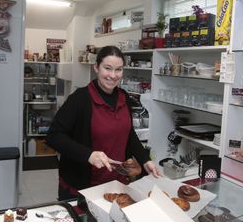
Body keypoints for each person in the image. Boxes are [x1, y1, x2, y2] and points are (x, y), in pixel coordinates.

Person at [46, 45, 161, 201]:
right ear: (96, 68)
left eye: (118, 69)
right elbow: (54, 136)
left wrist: (145, 159)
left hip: (116, 183)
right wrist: (89, 155)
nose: (113, 75)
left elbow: (128, 134)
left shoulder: (124, 97)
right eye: (107, 68)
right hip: (83, 186)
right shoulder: (80, 99)